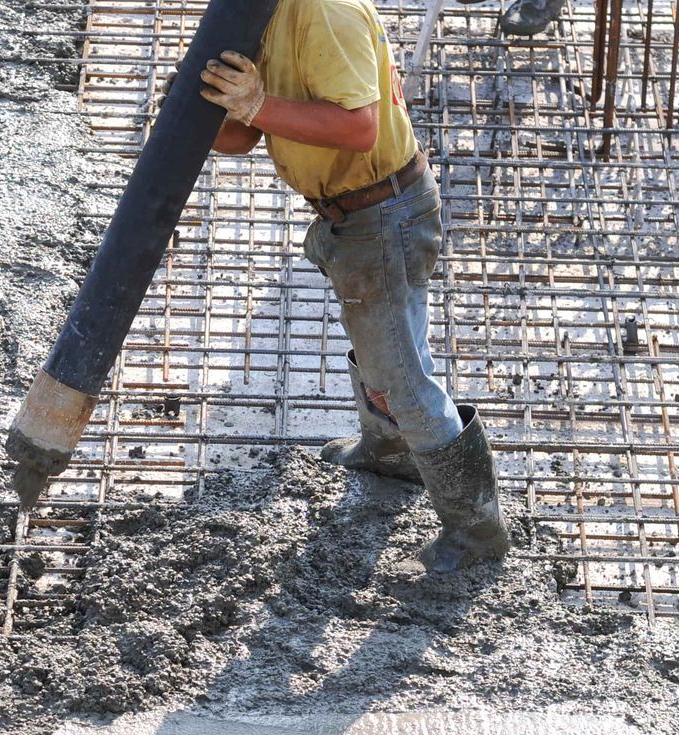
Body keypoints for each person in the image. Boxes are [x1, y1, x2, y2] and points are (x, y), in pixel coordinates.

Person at [198, 1, 508, 573]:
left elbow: (359, 128)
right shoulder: (260, 10)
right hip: (353, 212)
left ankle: (477, 530)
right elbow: (243, 136)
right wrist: (208, 108)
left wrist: (258, 102)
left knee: (399, 372)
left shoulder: (324, 11)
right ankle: (390, 450)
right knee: (380, 346)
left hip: (384, 211)